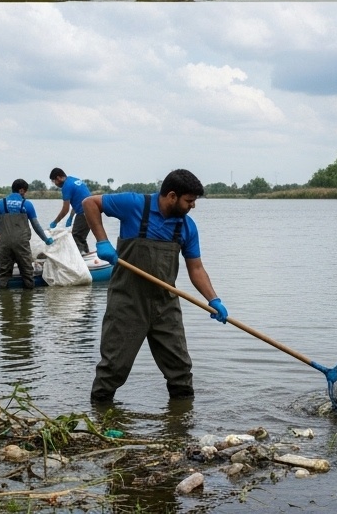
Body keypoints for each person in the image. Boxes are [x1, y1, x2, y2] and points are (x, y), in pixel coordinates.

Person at [83, 169, 228, 404]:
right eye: (189, 201)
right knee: (113, 368)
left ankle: (182, 419)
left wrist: (214, 300)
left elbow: (196, 269)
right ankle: (99, 413)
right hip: (127, 303)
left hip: (165, 305)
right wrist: (102, 241)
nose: (193, 206)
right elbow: (90, 203)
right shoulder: (134, 205)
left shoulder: (187, 227)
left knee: (180, 370)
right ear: (172, 196)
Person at [0, 178, 53, 290]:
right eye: (25, 191)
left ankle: (3, 295)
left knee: (3, 273)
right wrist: (46, 239)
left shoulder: (0, 203)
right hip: (21, 244)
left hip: (5, 243)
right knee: (27, 272)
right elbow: (36, 226)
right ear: (21, 190)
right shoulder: (27, 204)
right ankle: (28, 296)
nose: (25, 194)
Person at [48, 167, 92, 254]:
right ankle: (86, 254)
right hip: (93, 210)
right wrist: (71, 217)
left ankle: (80, 257)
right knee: (81, 237)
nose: (55, 184)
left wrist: (55, 222)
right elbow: (79, 201)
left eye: (54, 181)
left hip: (84, 212)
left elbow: (65, 209)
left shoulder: (66, 187)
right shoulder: (73, 180)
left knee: (76, 236)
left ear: (58, 178)